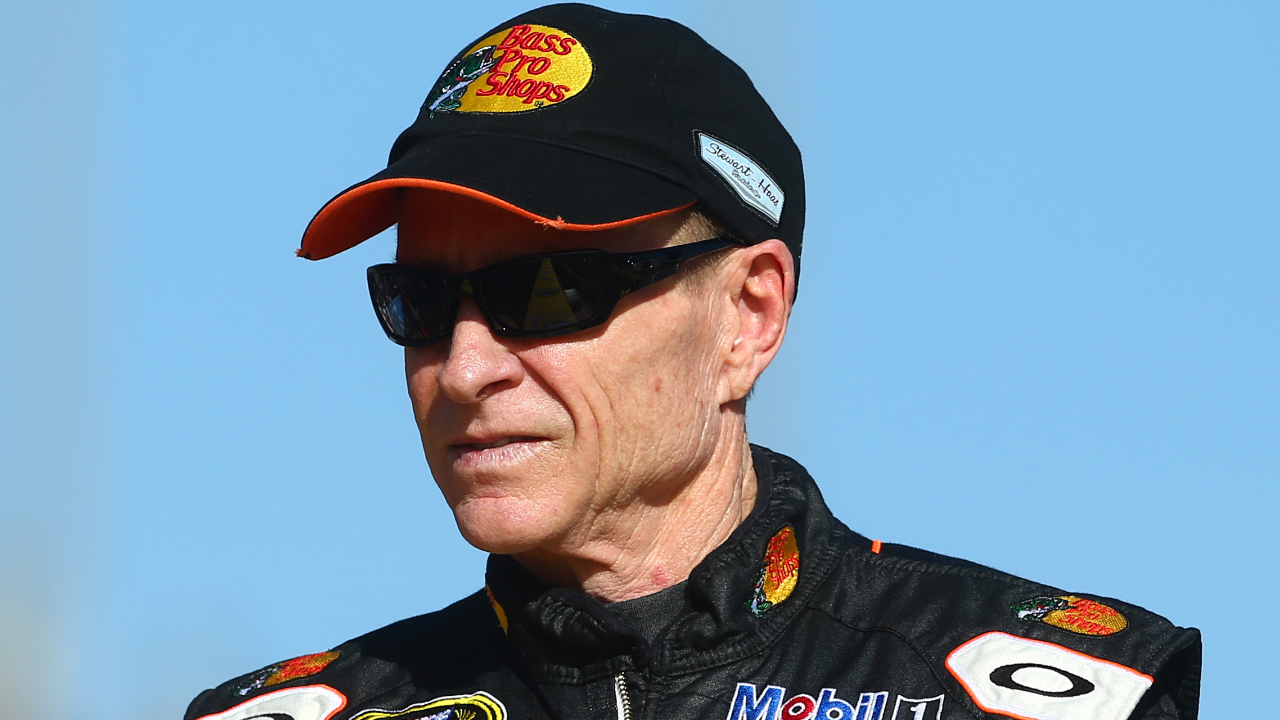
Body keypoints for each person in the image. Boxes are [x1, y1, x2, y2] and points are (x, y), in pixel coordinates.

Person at [185, 4, 1200, 720]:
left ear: (747, 315)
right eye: (417, 303)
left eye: (545, 291)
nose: (461, 369)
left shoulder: (1055, 694)